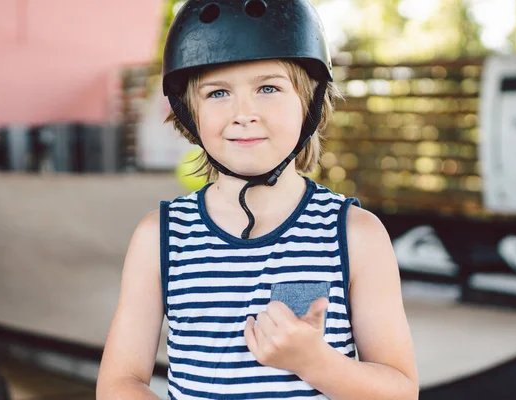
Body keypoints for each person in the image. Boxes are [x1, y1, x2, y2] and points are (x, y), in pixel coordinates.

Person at [97, 1, 419, 399]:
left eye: (268, 88)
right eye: (217, 92)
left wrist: (315, 363)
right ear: (188, 113)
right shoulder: (161, 237)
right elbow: (118, 383)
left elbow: (401, 391)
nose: (243, 113)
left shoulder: (355, 235)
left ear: (311, 102)